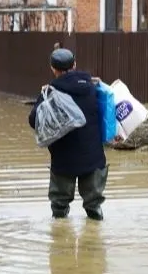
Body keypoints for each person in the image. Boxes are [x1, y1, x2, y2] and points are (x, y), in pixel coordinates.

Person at [28, 48, 108, 221]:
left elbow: (34, 120)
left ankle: (60, 242)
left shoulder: (50, 93)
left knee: (59, 208)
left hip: (64, 161)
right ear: (75, 65)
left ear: (53, 69)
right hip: (93, 159)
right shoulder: (93, 87)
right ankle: (95, 240)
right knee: (94, 206)